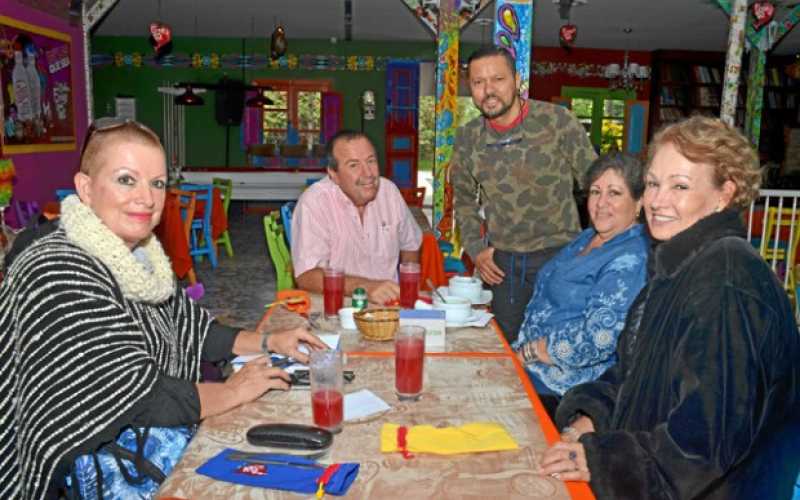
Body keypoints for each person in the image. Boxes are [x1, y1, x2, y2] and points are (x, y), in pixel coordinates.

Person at [0, 118, 327, 499]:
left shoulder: (139, 255)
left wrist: (271, 340)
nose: (147, 197)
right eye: (126, 179)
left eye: (157, 183)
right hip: (83, 469)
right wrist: (232, 393)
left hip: (145, 436)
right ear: (85, 188)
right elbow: (137, 396)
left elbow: (195, 330)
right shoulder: (56, 266)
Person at [538, 116, 800, 499]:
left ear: (724, 194)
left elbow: (704, 444)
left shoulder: (725, 283)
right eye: (654, 184)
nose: (657, 202)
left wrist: (599, 460)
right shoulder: (679, 264)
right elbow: (633, 373)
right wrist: (588, 417)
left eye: (680, 186)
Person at [452, 46, 598, 343]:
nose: (488, 90)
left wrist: (597, 243)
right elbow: (465, 200)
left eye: (498, 79)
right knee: (507, 349)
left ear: (517, 80)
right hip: (503, 266)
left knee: (558, 347)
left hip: (560, 257)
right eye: (478, 82)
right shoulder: (468, 137)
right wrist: (476, 249)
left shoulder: (558, 121)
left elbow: (597, 184)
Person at [512, 153, 649, 413]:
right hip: (531, 365)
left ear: (639, 202)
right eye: (596, 192)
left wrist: (526, 354)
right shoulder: (588, 237)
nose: (601, 203)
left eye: (615, 193)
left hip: (561, 385)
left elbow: (599, 338)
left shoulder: (631, 258)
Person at [292, 130, 423, 304]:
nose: (368, 173)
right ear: (333, 173)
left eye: (371, 161)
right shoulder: (315, 202)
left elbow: (411, 245)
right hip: (338, 306)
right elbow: (306, 276)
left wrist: (407, 295)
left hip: (388, 308)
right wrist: (365, 287)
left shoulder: (389, 192)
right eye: (354, 165)